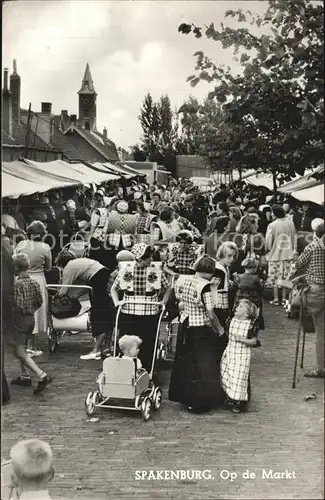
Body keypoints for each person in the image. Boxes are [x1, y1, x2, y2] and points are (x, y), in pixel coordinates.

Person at [168, 255, 226, 413]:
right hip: (201, 327)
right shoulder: (205, 286)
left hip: (186, 323)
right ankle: (203, 400)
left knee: (187, 362)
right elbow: (210, 312)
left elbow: (178, 300)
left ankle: (186, 397)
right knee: (204, 365)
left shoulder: (183, 279)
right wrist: (219, 329)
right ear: (209, 271)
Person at [110, 243, 171, 371]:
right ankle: (124, 370)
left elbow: (169, 288)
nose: (151, 260)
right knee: (126, 343)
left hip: (150, 313)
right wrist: (117, 302)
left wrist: (163, 302)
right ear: (139, 258)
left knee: (148, 343)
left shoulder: (156, 269)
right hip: (129, 312)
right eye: (148, 257)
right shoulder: (126, 269)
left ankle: (146, 370)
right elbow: (113, 289)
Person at [56, 250, 111, 360]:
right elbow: (87, 284)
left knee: (98, 314)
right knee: (104, 312)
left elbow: (64, 291)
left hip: (98, 279)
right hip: (103, 274)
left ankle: (96, 350)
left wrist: (56, 296)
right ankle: (105, 347)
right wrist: (76, 295)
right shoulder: (80, 263)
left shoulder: (69, 268)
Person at [10, 254, 53, 394]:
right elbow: (40, 301)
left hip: (20, 319)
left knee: (19, 351)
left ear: (16, 268)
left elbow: (18, 305)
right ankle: (24, 375)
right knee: (23, 347)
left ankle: (41, 375)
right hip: (31, 318)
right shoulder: (34, 282)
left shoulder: (17, 284)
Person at [14, 221, 52, 356]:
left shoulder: (20, 245)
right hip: (38, 279)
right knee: (36, 310)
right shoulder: (45, 247)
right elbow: (48, 267)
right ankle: (31, 345)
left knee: (22, 308)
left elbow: (15, 261)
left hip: (20, 278)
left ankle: (23, 344)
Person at [295, 219, 325, 379]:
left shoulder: (312, 247)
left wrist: (295, 257)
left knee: (320, 330)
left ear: (315, 232)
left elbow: (299, 264)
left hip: (316, 291)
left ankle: (321, 368)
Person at [221, 299, 261, 413]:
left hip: (242, 354)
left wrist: (242, 340)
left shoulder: (250, 325)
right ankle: (229, 396)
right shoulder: (231, 320)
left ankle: (238, 401)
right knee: (226, 373)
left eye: (240, 307)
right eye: (237, 306)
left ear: (247, 313)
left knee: (238, 377)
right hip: (230, 351)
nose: (236, 308)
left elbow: (254, 341)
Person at [265, 204, 296, 306]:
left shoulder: (272, 225)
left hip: (275, 255)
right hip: (288, 254)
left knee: (275, 278)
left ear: (275, 213)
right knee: (285, 277)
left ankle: (276, 298)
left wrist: (267, 251)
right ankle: (284, 298)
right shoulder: (290, 223)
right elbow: (294, 237)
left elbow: (268, 243)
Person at [211, 241, 239, 328]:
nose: (232, 259)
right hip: (218, 306)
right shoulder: (219, 269)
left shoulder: (225, 267)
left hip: (223, 305)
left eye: (234, 256)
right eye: (229, 256)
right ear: (222, 255)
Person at [233, 256, 265, 330]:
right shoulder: (256, 277)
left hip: (240, 298)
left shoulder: (239, 276)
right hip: (252, 299)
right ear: (254, 268)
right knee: (251, 314)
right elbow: (259, 289)